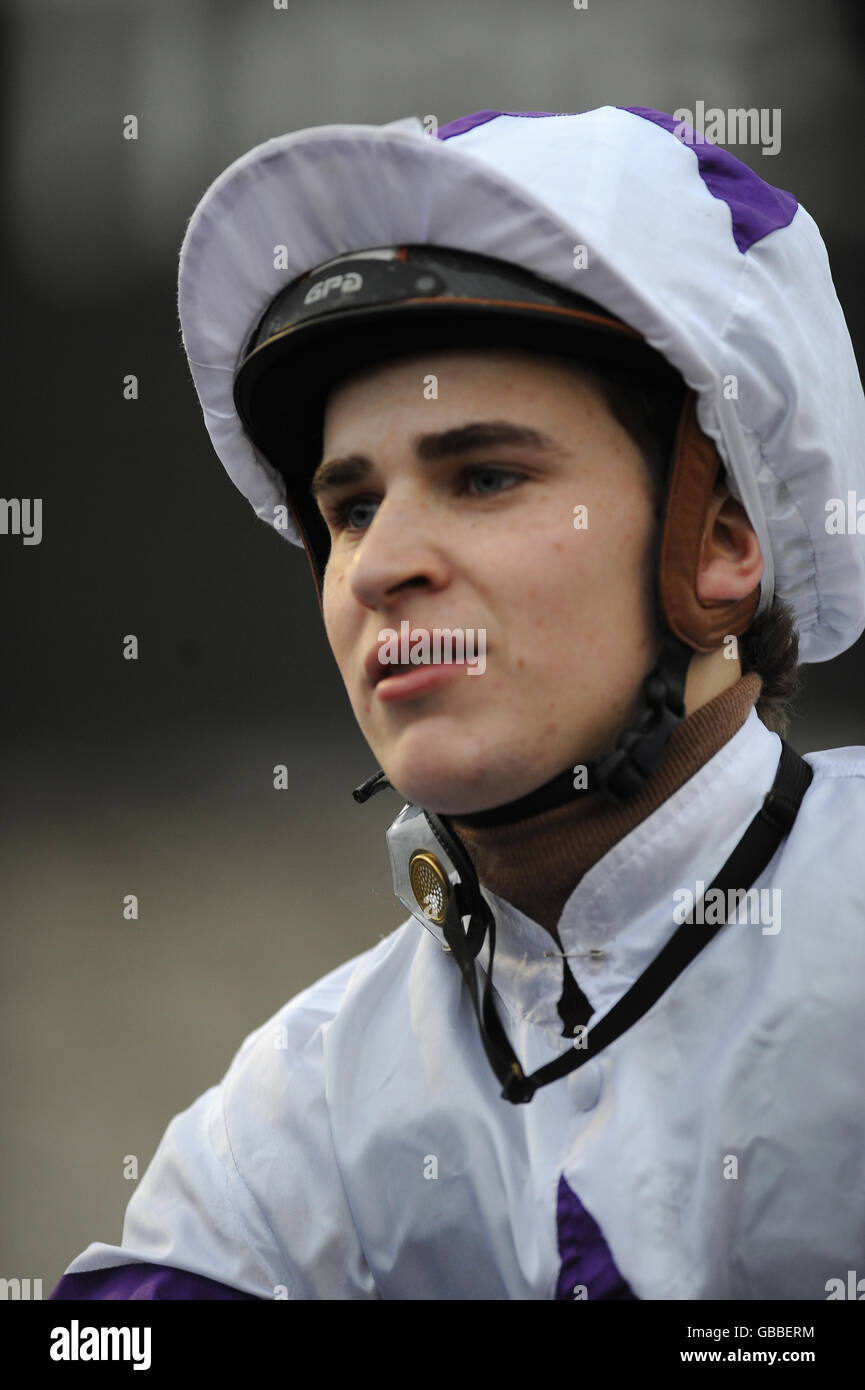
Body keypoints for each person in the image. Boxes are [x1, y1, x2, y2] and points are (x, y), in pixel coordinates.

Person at [51, 107, 865, 1301]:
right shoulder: (285, 1125)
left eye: (484, 475)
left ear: (719, 547)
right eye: (352, 508)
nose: (380, 567)